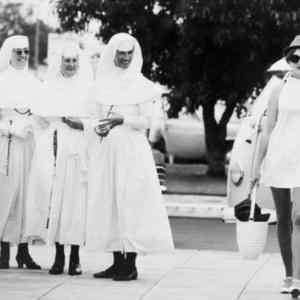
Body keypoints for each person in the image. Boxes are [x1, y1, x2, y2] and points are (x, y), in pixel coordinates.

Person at [86, 32, 174, 281]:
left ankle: (131, 264)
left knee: (130, 202)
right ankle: (116, 261)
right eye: (121, 54)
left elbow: (146, 121)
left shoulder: (142, 85)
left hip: (132, 151)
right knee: (110, 202)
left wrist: (121, 119)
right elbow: (93, 115)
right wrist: (99, 126)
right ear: (112, 54)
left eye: (129, 54)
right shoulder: (100, 84)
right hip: (108, 151)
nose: (125, 58)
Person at [25, 44, 91, 276]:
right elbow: (40, 120)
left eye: (74, 61)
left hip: (78, 149)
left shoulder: (87, 88)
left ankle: (75, 257)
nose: (70, 65)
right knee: (56, 203)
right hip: (53, 147)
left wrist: (79, 125)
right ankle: (58, 255)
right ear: (60, 62)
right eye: (67, 61)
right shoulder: (49, 87)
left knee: (75, 205)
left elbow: (93, 120)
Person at [255, 35, 300, 295]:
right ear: (288, 58)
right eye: (294, 57)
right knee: (284, 219)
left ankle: (298, 279)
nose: (299, 62)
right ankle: (289, 275)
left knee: (299, 217)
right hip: (279, 158)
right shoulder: (278, 87)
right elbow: (268, 129)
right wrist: (256, 167)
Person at [0, 35, 41, 270]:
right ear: (9, 53)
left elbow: (41, 114)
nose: (23, 56)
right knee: (6, 196)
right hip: (6, 144)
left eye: (26, 52)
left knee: (28, 196)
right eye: (18, 52)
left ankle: (23, 252)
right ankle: (3, 250)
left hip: (29, 145)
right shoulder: (1, 81)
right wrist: (10, 129)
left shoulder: (34, 82)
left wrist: (31, 127)